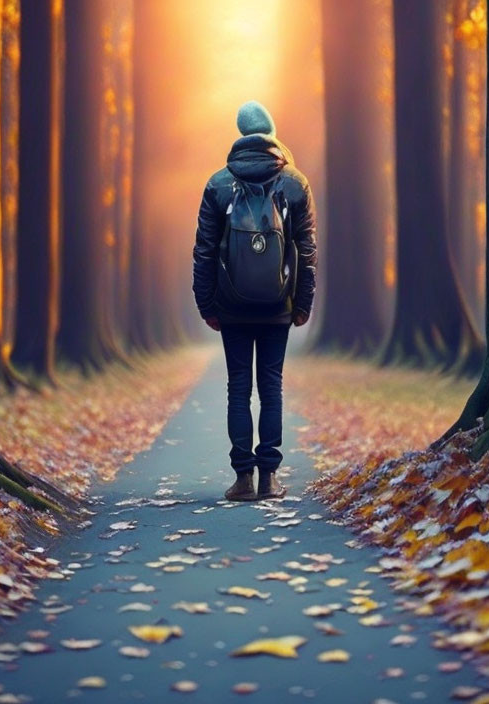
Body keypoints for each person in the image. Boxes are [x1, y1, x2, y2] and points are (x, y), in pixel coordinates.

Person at [192, 100, 318, 501]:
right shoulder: (295, 183)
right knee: (271, 387)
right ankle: (270, 478)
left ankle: (243, 479)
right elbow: (307, 250)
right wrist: (302, 304)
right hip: (278, 306)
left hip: (231, 306)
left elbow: (205, 251)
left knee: (238, 388)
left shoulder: (217, 184)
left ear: (240, 134)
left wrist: (207, 305)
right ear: (271, 134)